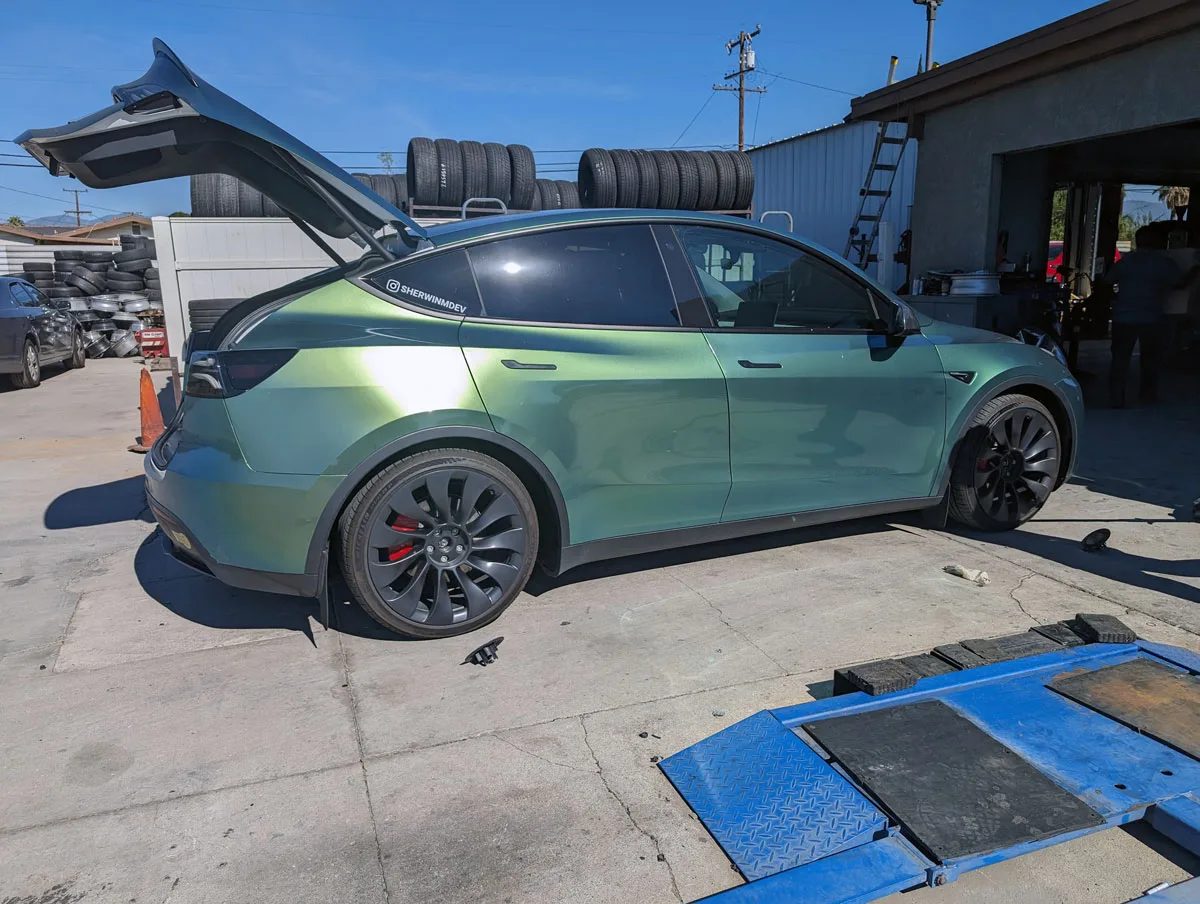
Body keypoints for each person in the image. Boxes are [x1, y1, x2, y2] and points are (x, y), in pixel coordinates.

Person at [1103, 228, 1196, 407]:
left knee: (1119, 361)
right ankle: (1147, 395)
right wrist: (1195, 270)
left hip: (1123, 317)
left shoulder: (1126, 262)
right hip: (1151, 318)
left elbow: (1108, 282)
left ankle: (1116, 398)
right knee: (1150, 360)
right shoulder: (1164, 263)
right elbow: (1180, 284)